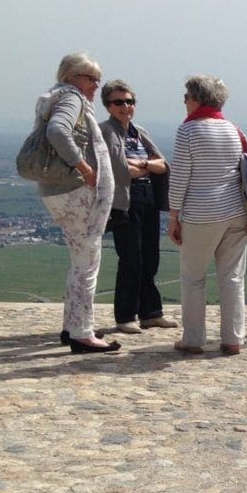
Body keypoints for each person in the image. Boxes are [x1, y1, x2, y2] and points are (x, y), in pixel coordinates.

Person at [168, 75, 247, 355]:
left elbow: (180, 177)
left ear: (197, 99)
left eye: (186, 96)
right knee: (232, 277)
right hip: (236, 212)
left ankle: (194, 339)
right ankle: (233, 338)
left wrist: (174, 216)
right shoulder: (234, 129)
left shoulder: (189, 131)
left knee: (193, 277)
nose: (184, 101)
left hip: (201, 214)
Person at [36, 52, 118, 353]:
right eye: (90, 78)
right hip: (76, 193)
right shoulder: (71, 98)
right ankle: (82, 333)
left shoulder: (56, 96)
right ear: (71, 77)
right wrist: (83, 167)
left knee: (79, 262)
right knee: (87, 264)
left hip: (60, 192)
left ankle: (74, 325)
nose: (96, 85)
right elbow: (57, 131)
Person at [98, 80, 175, 336]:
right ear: (108, 106)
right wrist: (144, 165)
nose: (126, 106)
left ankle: (151, 313)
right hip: (124, 199)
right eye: (119, 102)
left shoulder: (139, 132)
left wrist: (139, 163)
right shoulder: (105, 132)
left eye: (130, 101)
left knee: (150, 255)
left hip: (148, 195)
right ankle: (125, 315)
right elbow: (118, 169)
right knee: (131, 257)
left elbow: (162, 164)